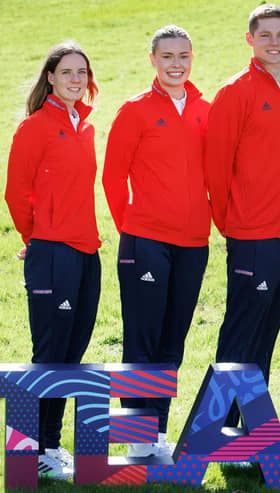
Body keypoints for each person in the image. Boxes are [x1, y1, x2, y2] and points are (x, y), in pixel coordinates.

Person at [103, 25, 210, 457]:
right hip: (145, 240)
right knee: (143, 337)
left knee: (173, 340)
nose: (176, 64)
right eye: (167, 56)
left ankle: (158, 433)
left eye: (183, 55)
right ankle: (136, 439)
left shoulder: (206, 110)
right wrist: (131, 227)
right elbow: (112, 177)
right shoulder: (135, 110)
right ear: (153, 60)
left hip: (193, 243)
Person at [205, 3, 280, 427]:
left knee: (266, 332)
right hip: (252, 234)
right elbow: (215, 165)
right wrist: (234, 223)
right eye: (265, 35)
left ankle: (250, 429)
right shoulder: (235, 91)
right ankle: (215, 430)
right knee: (241, 332)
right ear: (250, 39)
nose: (274, 42)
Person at [5, 41, 101, 480]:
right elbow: (15, 193)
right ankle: (36, 450)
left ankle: (49, 446)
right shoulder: (36, 127)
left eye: (81, 72)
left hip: (86, 253)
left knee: (71, 354)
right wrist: (37, 239)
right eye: (67, 72)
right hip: (52, 254)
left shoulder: (84, 125)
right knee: (50, 353)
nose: (75, 79)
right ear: (50, 78)